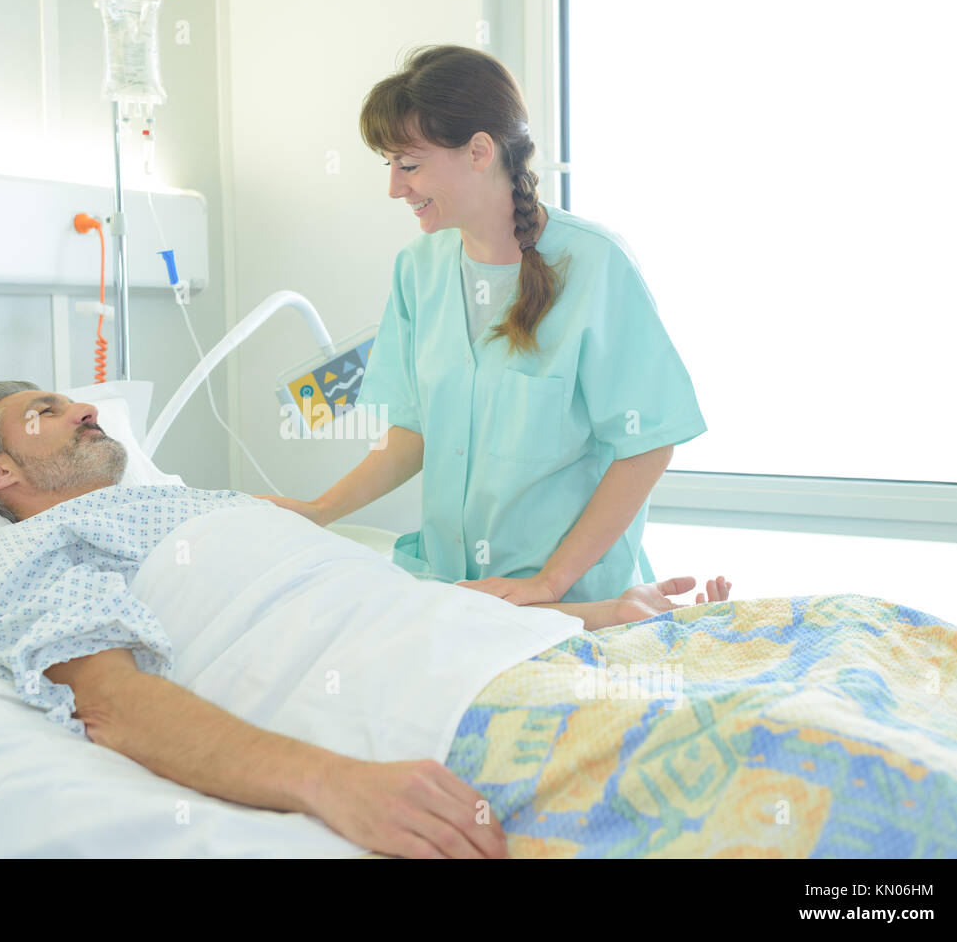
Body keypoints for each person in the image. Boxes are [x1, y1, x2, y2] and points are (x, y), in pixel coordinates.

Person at [0, 382, 729, 859]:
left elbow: (386, 595)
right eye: (47, 408)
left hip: (512, 650)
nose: (83, 407)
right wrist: (330, 780)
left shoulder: (209, 502)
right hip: (440, 704)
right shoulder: (33, 552)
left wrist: (604, 616)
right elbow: (111, 703)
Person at [261, 45, 707, 608]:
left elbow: (646, 445)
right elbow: (413, 434)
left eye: (411, 164)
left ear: (479, 151)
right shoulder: (418, 270)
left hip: (574, 602)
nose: (396, 189)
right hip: (458, 595)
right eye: (390, 166)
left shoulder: (595, 266)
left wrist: (550, 582)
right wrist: (319, 510)